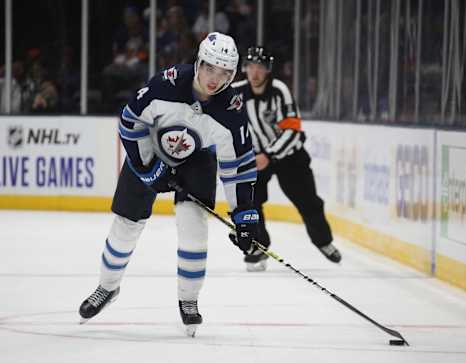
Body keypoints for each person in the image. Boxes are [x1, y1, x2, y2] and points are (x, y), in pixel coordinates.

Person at [78, 32, 259, 337]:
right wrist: (145, 167)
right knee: (126, 225)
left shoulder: (232, 111)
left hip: (198, 160)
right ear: (198, 62)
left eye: (225, 73)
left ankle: (188, 300)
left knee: (194, 230)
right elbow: (129, 122)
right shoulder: (166, 84)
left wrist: (244, 215)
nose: (215, 79)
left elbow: (238, 167)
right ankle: (107, 288)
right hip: (150, 149)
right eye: (210, 69)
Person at [231, 46, 342, 272]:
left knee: (308, 201)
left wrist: (269, 155)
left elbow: (293, 130)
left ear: (268, 70)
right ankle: (258, 246)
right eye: (251, 66)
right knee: (250, 202)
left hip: (289, 156)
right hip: (257, 157)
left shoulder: (279, 90)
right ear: (245, 68)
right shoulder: (236, 93)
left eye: (260, 67)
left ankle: (323, 240)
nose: (255, 72)